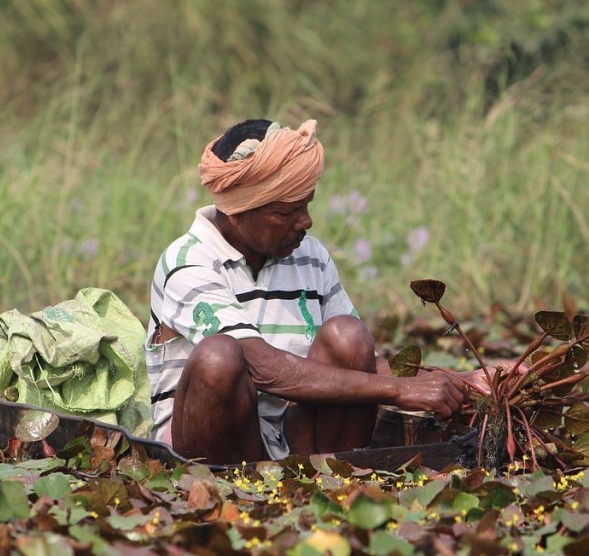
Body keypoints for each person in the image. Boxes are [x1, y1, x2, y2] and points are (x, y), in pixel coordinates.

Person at [146, 118, 476, 464]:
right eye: (286, 211)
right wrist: (400, 391)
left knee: (348, 336)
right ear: (238, 212)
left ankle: (331, 486)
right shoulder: (188, 261)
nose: (306, 221)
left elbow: (363, 365)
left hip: (285, 442)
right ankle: (219, 489)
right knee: (220, 358)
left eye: (307, 205)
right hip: (204, 449)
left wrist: (462, 382)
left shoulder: (310, 255)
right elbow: (260, 366)